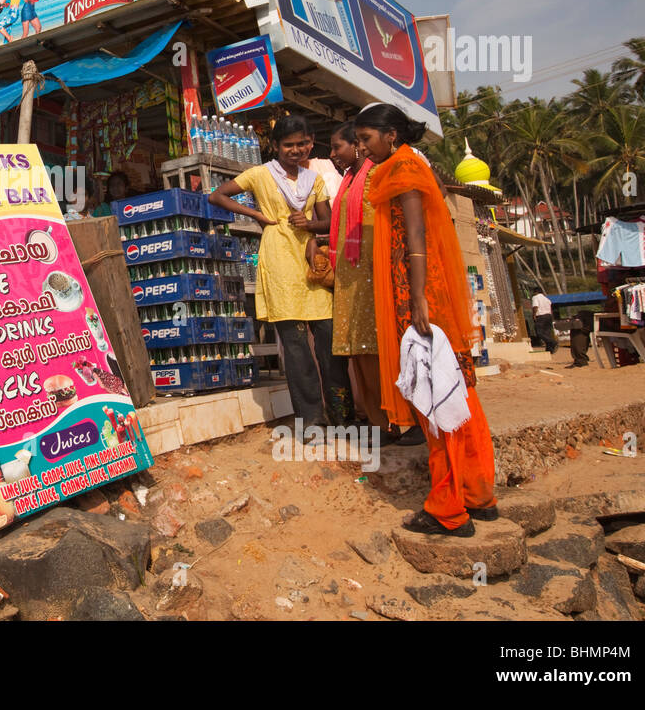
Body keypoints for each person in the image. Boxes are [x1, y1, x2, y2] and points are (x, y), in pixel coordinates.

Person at [355, 103, 496, 537]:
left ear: (391, 135)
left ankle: (448, 509)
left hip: (418, 293)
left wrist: (416, 297)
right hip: (422, 291)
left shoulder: (402, 168)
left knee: (436, 396)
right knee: (458, 390)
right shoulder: (410, 163)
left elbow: (415, 236)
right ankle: (478, 494)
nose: (362, 149)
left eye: (365, 139)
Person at [210, 116, 353, 427]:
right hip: (278, 260)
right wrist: (257, 215)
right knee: (297, 347)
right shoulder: (260, 174)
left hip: (310, 260)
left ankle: (343, 416)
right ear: (274, 146)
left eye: (302, 143)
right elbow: (217, 195)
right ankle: (312, 420)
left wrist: (310, 225)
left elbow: (328, 222)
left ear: (311, 142)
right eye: (288, 144)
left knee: (330, 344)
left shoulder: (314, 179)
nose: (296, 150)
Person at [328, 121, 408, 441]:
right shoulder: (347, 180)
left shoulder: (378, 175)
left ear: (358, 145)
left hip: (374, 274)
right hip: (351, 276)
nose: (333, 155)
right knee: (360, 351)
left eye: (338, 147)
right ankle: (377, 422)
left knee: (381, 348)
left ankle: (399, 419)